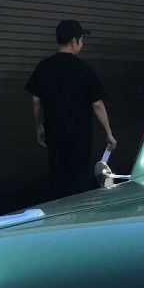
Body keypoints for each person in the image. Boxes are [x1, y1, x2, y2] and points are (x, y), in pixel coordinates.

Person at [25, 19, 117, 196]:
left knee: (57, 178)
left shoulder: (43, 67)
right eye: (82, 40)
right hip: (79, 137)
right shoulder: (84, 69)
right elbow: (97, 104)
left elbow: (36, 101)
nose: (82, 45)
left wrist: (39, 127)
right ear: (75, 41)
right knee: (78, 181)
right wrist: (109, 133)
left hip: (54, 135)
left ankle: (58, 216)